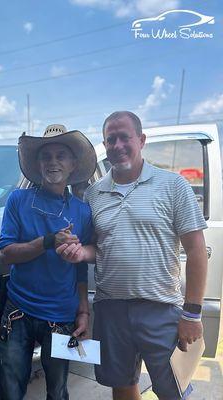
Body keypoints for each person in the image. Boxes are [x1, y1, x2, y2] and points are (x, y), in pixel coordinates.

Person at [57, 111, 208, 400]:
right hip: (111, 309)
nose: (117, 145)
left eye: (124, 137)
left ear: (141, 140)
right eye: (110, 139)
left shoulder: (173, 185)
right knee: (122, 383)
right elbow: (96, 248)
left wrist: (192, 313)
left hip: (161, 308)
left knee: (173, 390)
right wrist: (79, 253)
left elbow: (196, 249)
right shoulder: (94, 195)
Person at [0, 124, 97, 400]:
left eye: (61, 155)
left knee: (58, 390)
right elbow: (6, 254)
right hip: (17, 311)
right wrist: (48, 241)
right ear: (38, 163)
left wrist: (84, 312)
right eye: (46, 156)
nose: (53, 162)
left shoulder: (83, 211)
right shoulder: (17, 200)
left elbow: (81, 267)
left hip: (62, 318)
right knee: (10, 390)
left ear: (73, 164)